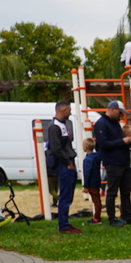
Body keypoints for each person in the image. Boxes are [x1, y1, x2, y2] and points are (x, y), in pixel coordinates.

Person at [92, 100, 131, 226]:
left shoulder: (115, 123)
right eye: (119, 112)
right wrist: (123, 141)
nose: (121, 115)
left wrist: (130, 142)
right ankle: (112, 218)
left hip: (124, 162)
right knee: (112, 192)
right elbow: (104, 144)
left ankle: (128, 216)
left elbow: (116, 141)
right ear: (112, 109)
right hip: (113, 162)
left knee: (126, 191)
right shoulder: (101, 124)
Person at [44, 101, 80, 235]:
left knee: (68, 195)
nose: (70, 112)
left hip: (68, 163)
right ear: (63, 110)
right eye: (69, 110)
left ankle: (65, 223)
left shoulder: (62, 125)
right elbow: (56, 148)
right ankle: (63, 225)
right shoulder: (55, 127)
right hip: (63, 165)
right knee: (64, 195)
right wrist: (67, 162)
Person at [80, 137, 103, 224]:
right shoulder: (97, 157)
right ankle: (97, 216)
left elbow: (87, 173)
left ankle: (96, 217)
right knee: (97, 199)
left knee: (95, 200)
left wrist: (85, 186)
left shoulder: (87, 160)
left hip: (91, 183)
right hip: (97, 181)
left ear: (85, 147)